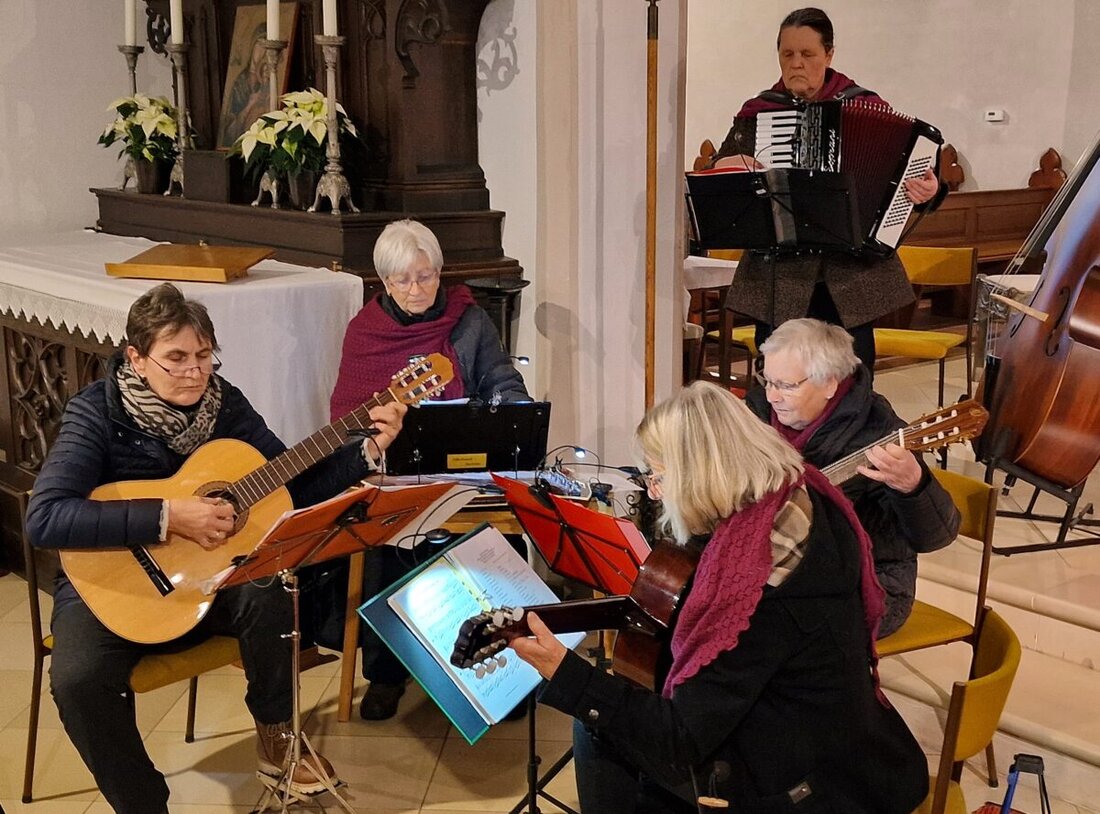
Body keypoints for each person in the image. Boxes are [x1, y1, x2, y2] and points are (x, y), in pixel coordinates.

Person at [25, 283, 406, 814]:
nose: (195, 372)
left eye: (203, 356)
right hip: (114, 586)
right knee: (77, 682)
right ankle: (142, 801)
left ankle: (277, 737)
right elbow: (45, 518)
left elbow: (286, 485)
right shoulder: (97, 413)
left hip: (206, 584)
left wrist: (365, 449)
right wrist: (168, 516)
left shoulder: (224, 404)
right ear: (136, 357)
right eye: (176, 358)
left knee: (270, 581)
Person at [512, 381, 929, 813]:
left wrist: (560, 669)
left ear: (698, 475)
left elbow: (681, 738)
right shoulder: (796, 496)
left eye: (658, 475)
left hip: (812, 786)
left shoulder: (756, 588)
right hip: (838, 733)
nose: (656, 490)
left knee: (600, 732)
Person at [329, 218, 530, 720]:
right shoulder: (365, 332)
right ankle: (386, 673)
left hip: (466, 470)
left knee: (506, 540)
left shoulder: (470, 320)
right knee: (384, 541)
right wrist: (375, 439)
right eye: (402, 280)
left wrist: (509, 413)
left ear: (440, 273)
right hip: (394, 474)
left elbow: (502, 380)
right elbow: (344, 417)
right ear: (385, 282)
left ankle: (506, 671)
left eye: (425, 277)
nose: (415, 289)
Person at [712, 7, 946, 372]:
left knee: (852, 381)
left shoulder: (864, 104)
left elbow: (905, 184)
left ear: (829, 55)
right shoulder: (759, 113)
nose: (796, 64)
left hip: (849, 276)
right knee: (779, 380)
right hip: (780, 276)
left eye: (807, 54)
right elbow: (724, 177)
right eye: (787, 54)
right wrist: (726, 169)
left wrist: (928, 191)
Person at [747, 317, 960, 636]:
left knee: (761, 629)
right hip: (778, 567)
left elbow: (934, 537)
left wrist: (913, 486)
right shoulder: (757, 413)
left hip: (866, 582)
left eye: (787, 386)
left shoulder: (881, 435)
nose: (772, 397)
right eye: (768, 381)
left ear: (829, 383)